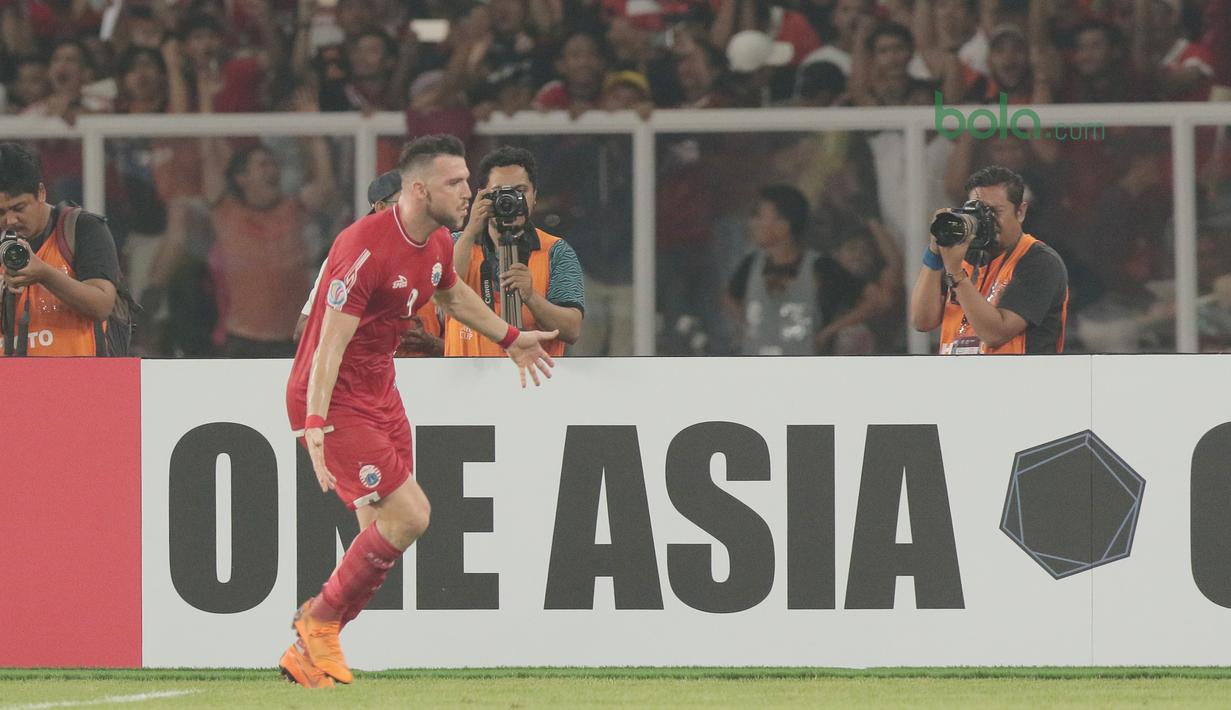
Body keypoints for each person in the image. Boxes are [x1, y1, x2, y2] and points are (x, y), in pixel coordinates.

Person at [281, 134, 557, 688]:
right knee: (411, 515)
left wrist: (511, 338)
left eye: (467, 181)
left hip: (381, 390)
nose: (469, 191)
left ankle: (307, 654)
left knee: (379, 533)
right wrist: (314, 421)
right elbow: (327, 347)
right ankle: (318, 620)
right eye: (456, 182)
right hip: (335, 396)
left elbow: (453, 298)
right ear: (417, 187)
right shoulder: (364, 248)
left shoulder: (434, 244)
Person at [910, 165, 1069, 354]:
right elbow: (922, 321)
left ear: (1020, 212)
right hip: (957, 380)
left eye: (995, 212)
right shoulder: (961, 256)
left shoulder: (1039, 261)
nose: (986, 221)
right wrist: (935, 253)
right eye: (977, 213)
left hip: (1018, 380)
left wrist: (956, 275)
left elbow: (996, 334)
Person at [445, 146, 584, 357]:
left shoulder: (556, 251)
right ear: (482, 196)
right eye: (500, 193)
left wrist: (531, 297)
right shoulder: (455, 243)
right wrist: (470, 231)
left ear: (535, 196)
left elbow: (572, 330)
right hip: (468, 383)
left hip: (535, 382)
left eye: (520, 191)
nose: (510, 201)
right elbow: (443, 299)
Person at [294, 170, 445, 357]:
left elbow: (465, 340)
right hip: (364, 378)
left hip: (432, 378)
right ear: (381, 207)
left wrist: (433, 345)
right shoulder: (348, 257)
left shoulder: (438, 257)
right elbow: (302, 331)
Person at [0, 142, 124, 357]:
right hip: (10, 384)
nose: (9, 220)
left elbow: (101, 304)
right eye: (0, 212)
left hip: (79, 382)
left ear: (41, 192)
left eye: (19, 208)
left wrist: (44, 274)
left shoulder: (82, 228)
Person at [726, 184, 882, 355]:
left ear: (783, 225)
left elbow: (877, 299)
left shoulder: (820, 268)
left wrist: (826, 333)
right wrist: (750, 325)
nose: (753, 223)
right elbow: (730, 297)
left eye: (759, 216)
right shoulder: (751, 264)